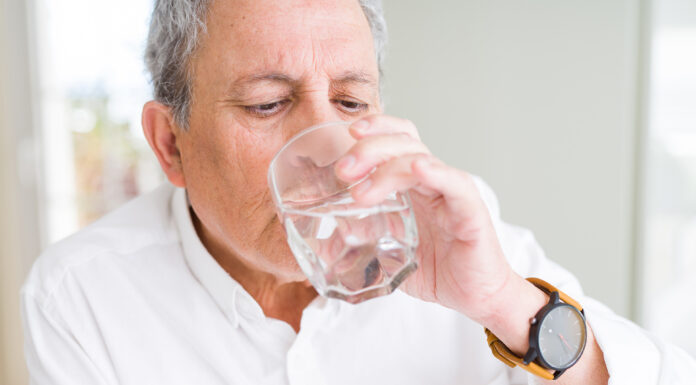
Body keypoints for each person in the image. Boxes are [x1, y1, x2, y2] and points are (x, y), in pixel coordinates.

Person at [21, 1, 696, 384]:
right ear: (171, 143)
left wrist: (503, 303)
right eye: (266, 104)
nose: (331, 152)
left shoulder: (451, 232)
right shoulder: (82, 295)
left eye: (349, 100)